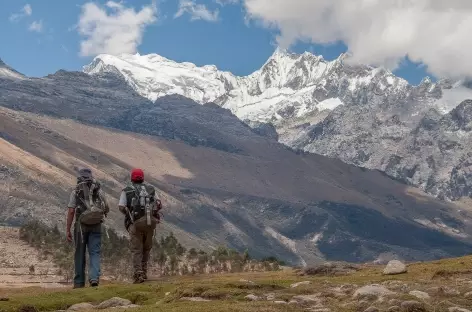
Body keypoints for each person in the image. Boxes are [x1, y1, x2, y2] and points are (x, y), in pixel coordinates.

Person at [66, 167, 109, 288]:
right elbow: (106, 206)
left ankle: (79, 282)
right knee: (94, 252)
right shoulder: (98, 190)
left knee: (79, 253)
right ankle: (94, 278)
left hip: (80, 226)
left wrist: (68, 229)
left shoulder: (75, 191)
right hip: (96, 225)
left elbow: (71, 211)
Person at [118, 168, 162, 284]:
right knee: (147, 248)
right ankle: (144, 270)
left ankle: (138, 274)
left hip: (135, 223)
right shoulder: (151, 189)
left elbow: (121, 206)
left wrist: (129, 215)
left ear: (132, 178)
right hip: (150, 223)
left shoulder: (126, 190)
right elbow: (158, 204)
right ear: (143, 178)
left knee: (137, 249)